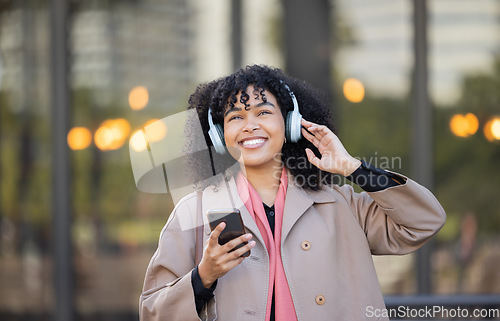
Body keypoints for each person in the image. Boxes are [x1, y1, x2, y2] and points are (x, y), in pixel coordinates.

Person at [139, 65, 446, 321]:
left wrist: (354, 169)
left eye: (263, 112)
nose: (250, 126)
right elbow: (152, 312)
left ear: (289, 124)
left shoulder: (338, 203)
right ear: (219, 137)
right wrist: (204, 275)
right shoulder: (193, 212)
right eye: (235, 117)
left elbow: (424, 222)